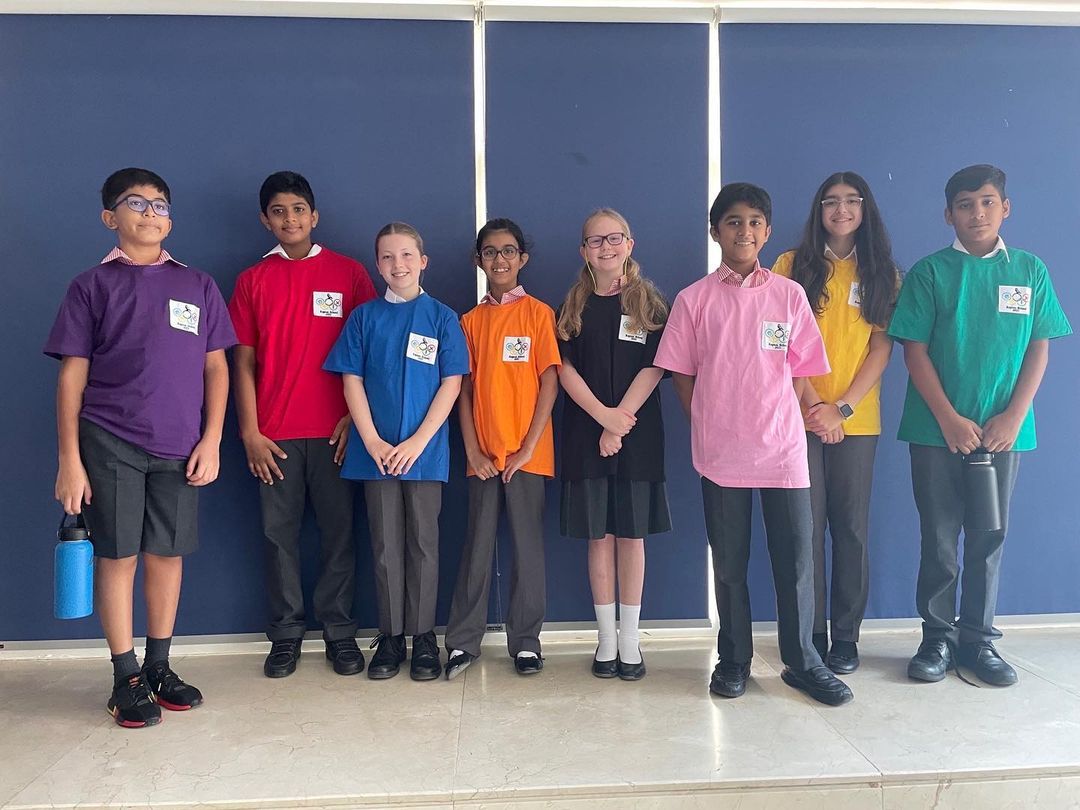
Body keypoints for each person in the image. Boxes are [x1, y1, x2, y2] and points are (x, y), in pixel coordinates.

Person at [46, 167, 237, 727]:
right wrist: (69, 460)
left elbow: (217, 369)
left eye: (160, 205)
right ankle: (125, 675)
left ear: (170, 221)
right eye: (136, 203)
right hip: (110, 440)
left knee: (167, 555)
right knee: (118, 555)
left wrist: (212, 439)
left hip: (181, 445)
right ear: (110, 217)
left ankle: (158, 665)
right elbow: (72, 378)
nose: (151, 213)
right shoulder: (91, 286)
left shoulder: (198, 285)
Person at [654, 182, 853, 706]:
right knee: (729, 564)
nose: (745, 231)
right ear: (715, 231)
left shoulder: (788, 296)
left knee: (797, 562)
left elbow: (802, 371)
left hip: (784, 450)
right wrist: (706, 420)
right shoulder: (694, 300)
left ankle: (803, 661)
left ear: (767, 231)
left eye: (755, 222)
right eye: (733, 221)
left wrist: (805, 414)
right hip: (721, 453)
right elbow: (681, 373)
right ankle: (734, 659)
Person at [889, 164, 1072, 686]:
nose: (977, 213)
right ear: (948, 215)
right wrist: (948, 419)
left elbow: (1039, 346)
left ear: (1005, 208)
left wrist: (1014, 416)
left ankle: (978, 641)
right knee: (939, 537)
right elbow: (914, 351)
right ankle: (937, 638)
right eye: (965, 205)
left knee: (990, 536)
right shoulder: (930, 273)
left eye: (988, 202)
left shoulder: (1029, 271)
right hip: (936, 431)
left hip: (1003, 433)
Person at [228, 171, 376, 679]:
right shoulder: (252, 280)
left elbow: (369, 353)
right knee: (278, 537)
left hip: (338, 433)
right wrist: (250, 432)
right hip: (274, 436)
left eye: (297, 209)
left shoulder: (349, 273)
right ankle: (286, 635)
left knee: (339, 535)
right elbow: (242, 363)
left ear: (314, 215)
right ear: (265, 220)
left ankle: (339, 631)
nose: (289, 219)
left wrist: (354, 418)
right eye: (278, 211)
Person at [323, 222, 469, 681]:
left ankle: (423, 637)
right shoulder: (363, 318)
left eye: (406, 255)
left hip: (425, 452)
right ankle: (391, 637)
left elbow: (451, 383)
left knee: (424, 544)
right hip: (376, 454)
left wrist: (419, 441)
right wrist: (370, 440)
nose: (397, 264)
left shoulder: (442, 318)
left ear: (422, 261)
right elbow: (351, 380)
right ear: (377, 264)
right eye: (387, 256)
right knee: (385, 544)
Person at [772, 171, 899, 674]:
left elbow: (881, 349)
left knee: (850, 529)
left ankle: (845, 638)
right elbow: (779, 343)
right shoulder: (790, 266)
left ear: (865, 209)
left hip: (856, 421)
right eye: (830, 201)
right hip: (798, 416)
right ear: (818, 210)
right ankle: (810, 637)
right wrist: (813, 407)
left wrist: (841, 408)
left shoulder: (884, 273)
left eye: (851, 201)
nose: (841, 210)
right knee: (804, 531)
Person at [444, 218, 560, 679]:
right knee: (476, 545)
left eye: (508, 251)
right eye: (490, 252)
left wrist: (528, 447)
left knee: (528, 549)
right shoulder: (469, 322)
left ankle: (526, 643)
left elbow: (549, 382)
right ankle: (462, 642)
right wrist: (473, 451)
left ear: (522, 258)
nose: (500, 260)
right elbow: (465, 391)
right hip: (484, 456)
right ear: (479, 260)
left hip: (528, 455)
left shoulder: (538, 314)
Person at [557, 208, 670, 681]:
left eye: (614, 238)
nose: (605, 247)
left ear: (630, 243)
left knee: (631, 535)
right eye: (595, 241)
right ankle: (606, 639)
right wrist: (602, 418)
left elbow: (655, 366)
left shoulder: (650, 304)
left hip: (637, 435)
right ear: (583, 251)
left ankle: (630, 640)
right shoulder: (572, 307)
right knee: (598, 537)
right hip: (586, 434)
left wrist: (618, 423)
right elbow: (563, 369)